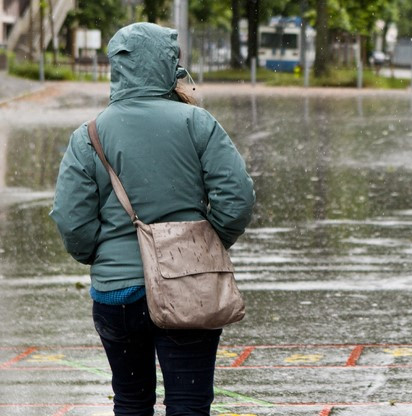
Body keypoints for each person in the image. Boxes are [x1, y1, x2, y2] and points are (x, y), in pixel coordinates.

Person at [50, 22, 255, 415]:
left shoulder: (88, 135)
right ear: (168, 66)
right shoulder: (198, 123)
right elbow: (238, 198)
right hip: (189, 285)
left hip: (117, 295)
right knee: (189, 403)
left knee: (130, 400)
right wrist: (206, 245)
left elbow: (71, 220)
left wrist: (103, 256)